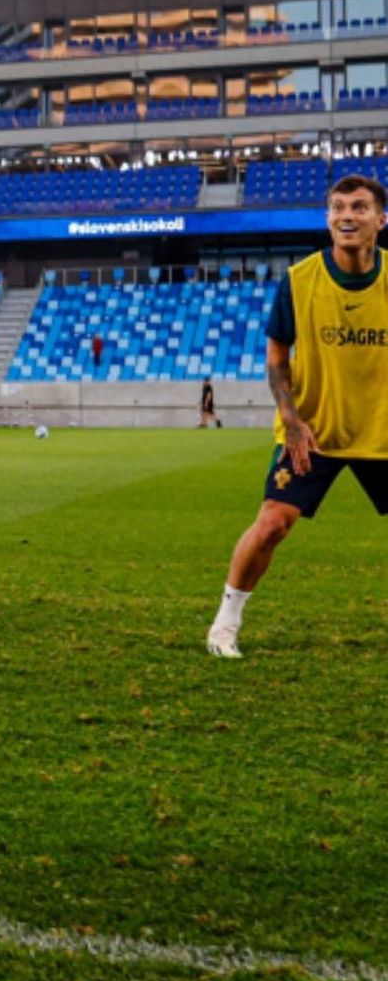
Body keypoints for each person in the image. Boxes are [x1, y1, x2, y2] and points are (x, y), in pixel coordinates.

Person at [207, 175, 388, 659]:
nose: (347, 215)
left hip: (382, 430)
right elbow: (277, 353)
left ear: (380, 220)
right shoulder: (300, 280)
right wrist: (289, 416)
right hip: (314, 428)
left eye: (359, 207)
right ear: (328, 219)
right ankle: (225, 624)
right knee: (271, 525)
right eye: (337, 208)